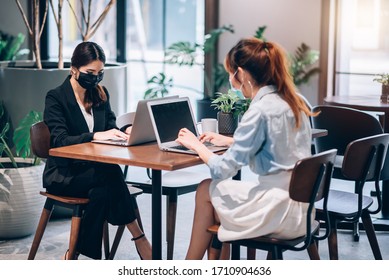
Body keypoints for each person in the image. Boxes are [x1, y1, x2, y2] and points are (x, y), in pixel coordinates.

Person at [176, 38, 316, 259]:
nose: (231, 81)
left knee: (206, 189)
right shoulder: (295, 101)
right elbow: (280, 145)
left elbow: (223, 170)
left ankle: (188, 266)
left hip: (278, 212)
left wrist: (196, 145)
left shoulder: (259, 111)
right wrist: (231, 141)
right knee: (215, 201)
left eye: (231, 74)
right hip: (303, 211)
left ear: (241, 74)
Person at [43, 41, 151, 260]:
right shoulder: (56, 97)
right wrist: (93, 136)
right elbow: (59, 140)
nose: (95, 78)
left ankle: (77, 255)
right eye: (90, 72)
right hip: (64, 173)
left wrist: (126, 130)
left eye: (100, 73)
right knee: (110, 174)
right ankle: (140, 238)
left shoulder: (100, 94)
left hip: (94, 173)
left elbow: (110, 126)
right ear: (73, 69)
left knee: (102, 189)